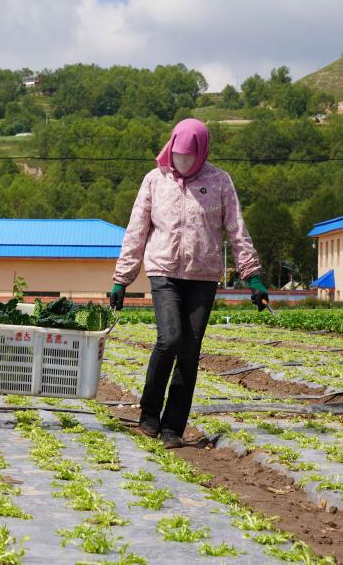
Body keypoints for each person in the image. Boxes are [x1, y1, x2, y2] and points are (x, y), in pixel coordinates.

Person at [110, 118, 269, 449]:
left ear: (202, 154)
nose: (182, 162)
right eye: (178, 155)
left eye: (189, 157)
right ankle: (149, 415)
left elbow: (237, 230)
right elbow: (136, 231)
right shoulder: (155, 181)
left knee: (189, 351)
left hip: (203, 276)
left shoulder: (220, 182)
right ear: (171, 148)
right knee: (169, 339)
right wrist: (122, 279)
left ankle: (173, 427)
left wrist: (253, 276)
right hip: (163, 271)